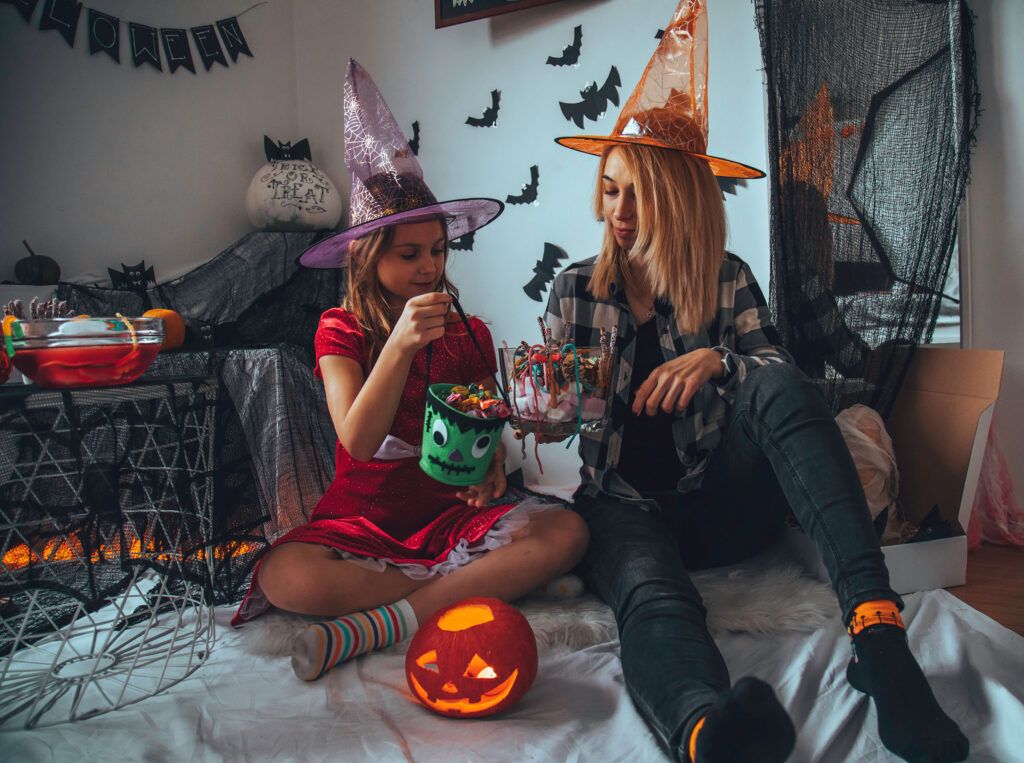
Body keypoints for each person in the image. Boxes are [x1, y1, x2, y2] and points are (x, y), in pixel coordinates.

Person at [542, 3, 969, 762]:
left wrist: (721, 362)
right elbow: (561, 415)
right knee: (651, 593)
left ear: (680, 197)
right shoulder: (574, 291)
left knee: (777, 385)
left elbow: (783, 382)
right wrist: (541, 417)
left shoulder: (726, 278)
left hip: (723, 501)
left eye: (638, 192)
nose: (619, 213)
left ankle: (880, 638)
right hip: (625, 507)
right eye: (609, 190)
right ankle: (710, 732)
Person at [231, 60, 588, 683]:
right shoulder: (340, 330)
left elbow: (481, 435)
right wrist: (396, 346)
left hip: (448, 517)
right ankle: (468, 590)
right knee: (283, 575)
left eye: (439, 250)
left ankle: (391, 621)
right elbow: (358, 441)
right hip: (365, 522)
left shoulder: (467, 331)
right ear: (369, 258)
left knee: (568, 531)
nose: (430, 267)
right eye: (410, 254)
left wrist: (491, 473)